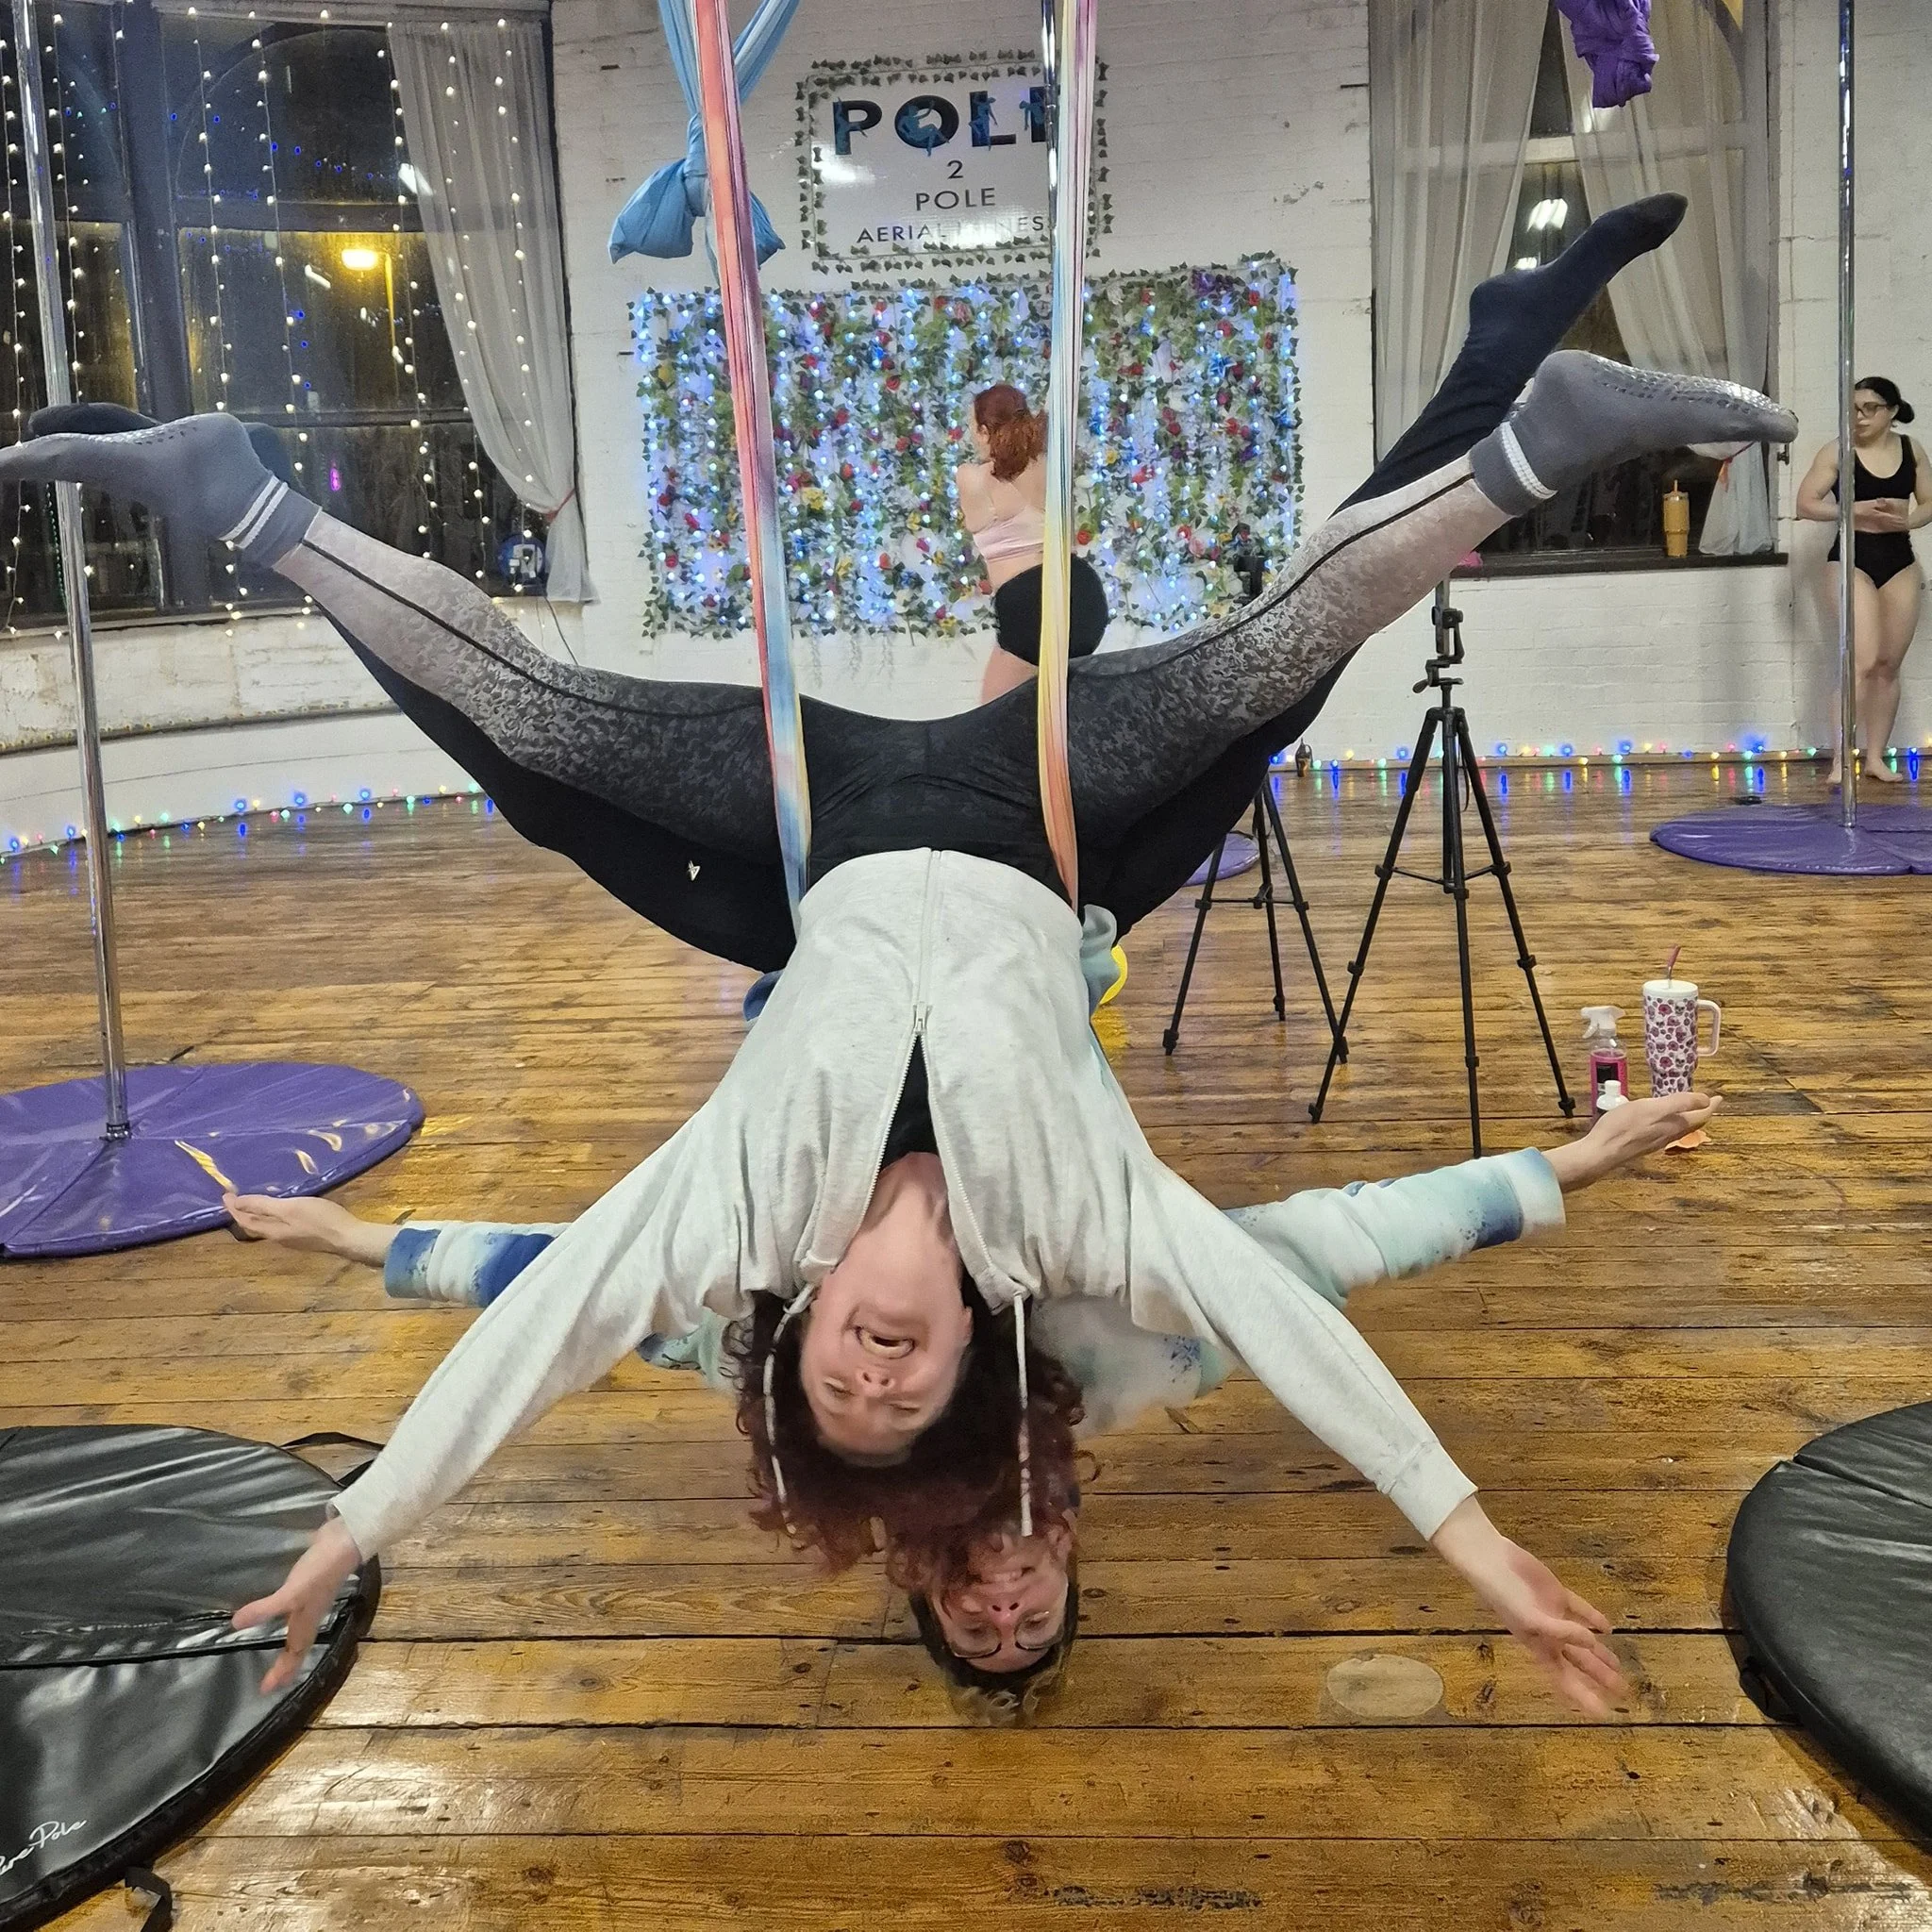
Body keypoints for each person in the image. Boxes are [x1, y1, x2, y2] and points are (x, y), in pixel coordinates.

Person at [2, 303, 1792, 1715]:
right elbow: (1315, 1290)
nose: (864, 1362)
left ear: (784, 1334)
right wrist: (1468, 1535)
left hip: (818, 817)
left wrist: (347, 1523)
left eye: (829, 1376)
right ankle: (1532, 432)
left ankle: (233, 486)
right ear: (965, 1356)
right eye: (896, 1380)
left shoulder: (739, 1221)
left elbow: (533, 1328)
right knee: (1263, 672)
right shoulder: (1077, 1244)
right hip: (1038, 820)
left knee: (539, 744)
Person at [218, 1082, 1716, 1715]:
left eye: (976, 1629)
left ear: (925, 1583)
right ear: (1065, 1559)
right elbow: (1354, 1239)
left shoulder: (786, 1394)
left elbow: (560, 1290)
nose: (1006, 1614)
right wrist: (1584, 1160)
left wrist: (357, 1241)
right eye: (1035, 1623)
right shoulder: (1126, 1364)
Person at [1796, 375, 1930, 787]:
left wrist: (1905, 520)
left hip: (1899, 560)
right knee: (1862, 661)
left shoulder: (1912, 449)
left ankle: (1875, 758)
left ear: (1891, 411)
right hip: (1852, 559)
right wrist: (1852, 510)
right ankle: (1841, 759)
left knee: (1888, 665)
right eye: (1852, 409)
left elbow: (1929, 503)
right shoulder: (1838, 450)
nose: (1858, 417)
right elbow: (1805, 504)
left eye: (1869, 409)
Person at [956, 384, 1110, 703]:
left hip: (1031, 604)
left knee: (991, 721)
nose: (971, 436)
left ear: (985, 431)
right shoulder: (1050, 464)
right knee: (1052, 709)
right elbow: (1054, 414)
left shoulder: (971, 476)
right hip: (1082, 595)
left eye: (972, 427)